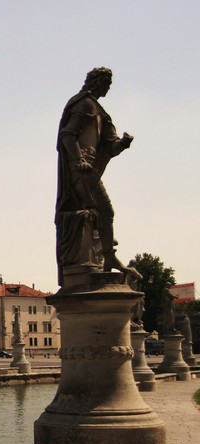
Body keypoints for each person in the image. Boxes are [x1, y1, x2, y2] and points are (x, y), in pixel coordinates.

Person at [55, 67, 139, 285]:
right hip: (81, 170)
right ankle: (107, 257)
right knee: (103, 210)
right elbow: (67, 134)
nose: (109, 88)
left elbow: (110, 147)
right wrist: (78, 160)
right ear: (97, 82)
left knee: (100, 213)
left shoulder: (99, 110)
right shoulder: (84, 103)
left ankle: (106, 257)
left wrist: (123, 143)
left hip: (89, 169)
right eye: (107, 84)